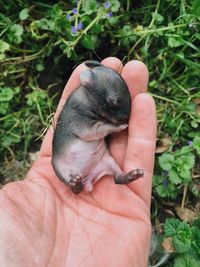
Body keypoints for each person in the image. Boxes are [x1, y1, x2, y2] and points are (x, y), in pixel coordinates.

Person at [0, 57, 157, 267]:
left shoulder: (92, 98)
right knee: (63, 168)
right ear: (89, 87)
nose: (122, 115)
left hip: (98, 156)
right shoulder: (77, 109)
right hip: (70, 163)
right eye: (111, 103)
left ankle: (120, 177)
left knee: (108, 161)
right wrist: (111, 128)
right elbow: (87, 132)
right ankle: (74, 184)